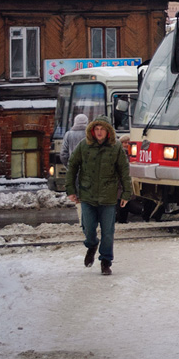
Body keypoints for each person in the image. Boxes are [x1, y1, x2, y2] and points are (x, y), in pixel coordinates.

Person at [65, 116, 131, 275]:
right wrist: (70, 190)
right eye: (96, 129)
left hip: (108, 197)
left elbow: (124, 172)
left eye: (102, 129)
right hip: (87, 195)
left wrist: (126, 194)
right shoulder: (84, 146)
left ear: (108, 131)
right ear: (92, 130)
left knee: (108, 231)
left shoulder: (116, 148)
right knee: (88, 228)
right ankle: (92, 245)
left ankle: (106, 261)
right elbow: (72, 166)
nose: (99, 132)